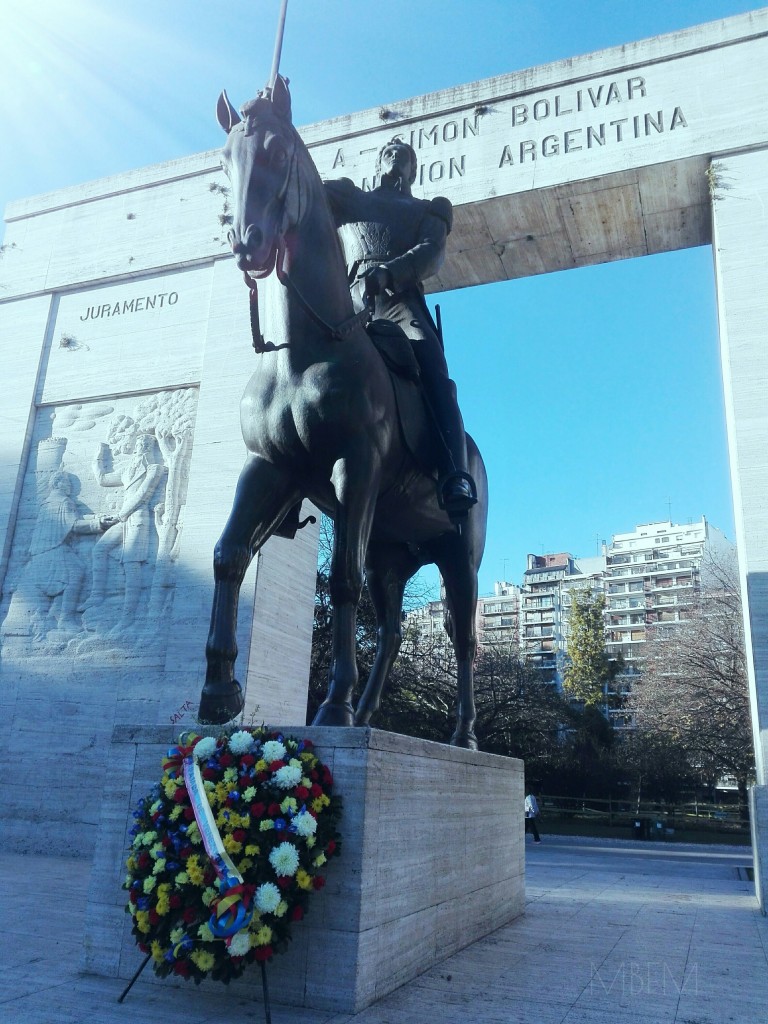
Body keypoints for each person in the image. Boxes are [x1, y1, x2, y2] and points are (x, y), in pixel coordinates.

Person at [324, 139, 477, 520]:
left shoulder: (429, 209)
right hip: (348, 303)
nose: (396, 158)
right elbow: (302, 192)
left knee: (435, 372)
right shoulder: (349, 197)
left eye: (405, 157)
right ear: (377, 161)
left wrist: (391, 272)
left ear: (413, 171)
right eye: (390, 153)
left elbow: (431, 252)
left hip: (398, 302)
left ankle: (454, 473)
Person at [86, 434, 165, 631]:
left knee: (131, 563)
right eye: (138, 444)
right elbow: (103, 479)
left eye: (144, 444)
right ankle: (96, 596)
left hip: (137, 518)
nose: (140, 447)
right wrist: (99, 456)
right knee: (100, 550)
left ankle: (129, 616)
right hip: (123, 518)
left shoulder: (155, 468)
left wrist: (121, 515)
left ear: (150, 447)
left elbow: (142, 494)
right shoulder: (127, 470)